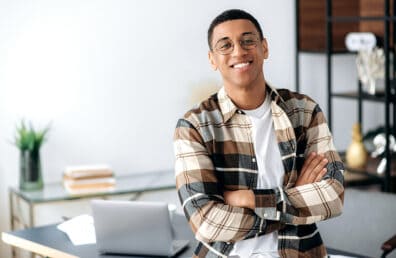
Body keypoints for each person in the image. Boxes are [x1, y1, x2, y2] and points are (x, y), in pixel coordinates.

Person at [173, 9, 344, 258]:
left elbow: (333, 196)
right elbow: (206, 221)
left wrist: (248, 198)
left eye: (248, 41)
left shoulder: (303, 111)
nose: (239, 52)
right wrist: (293, 197)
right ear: (212, 59)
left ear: (264, 47)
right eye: (226, 45)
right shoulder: (195, 126)